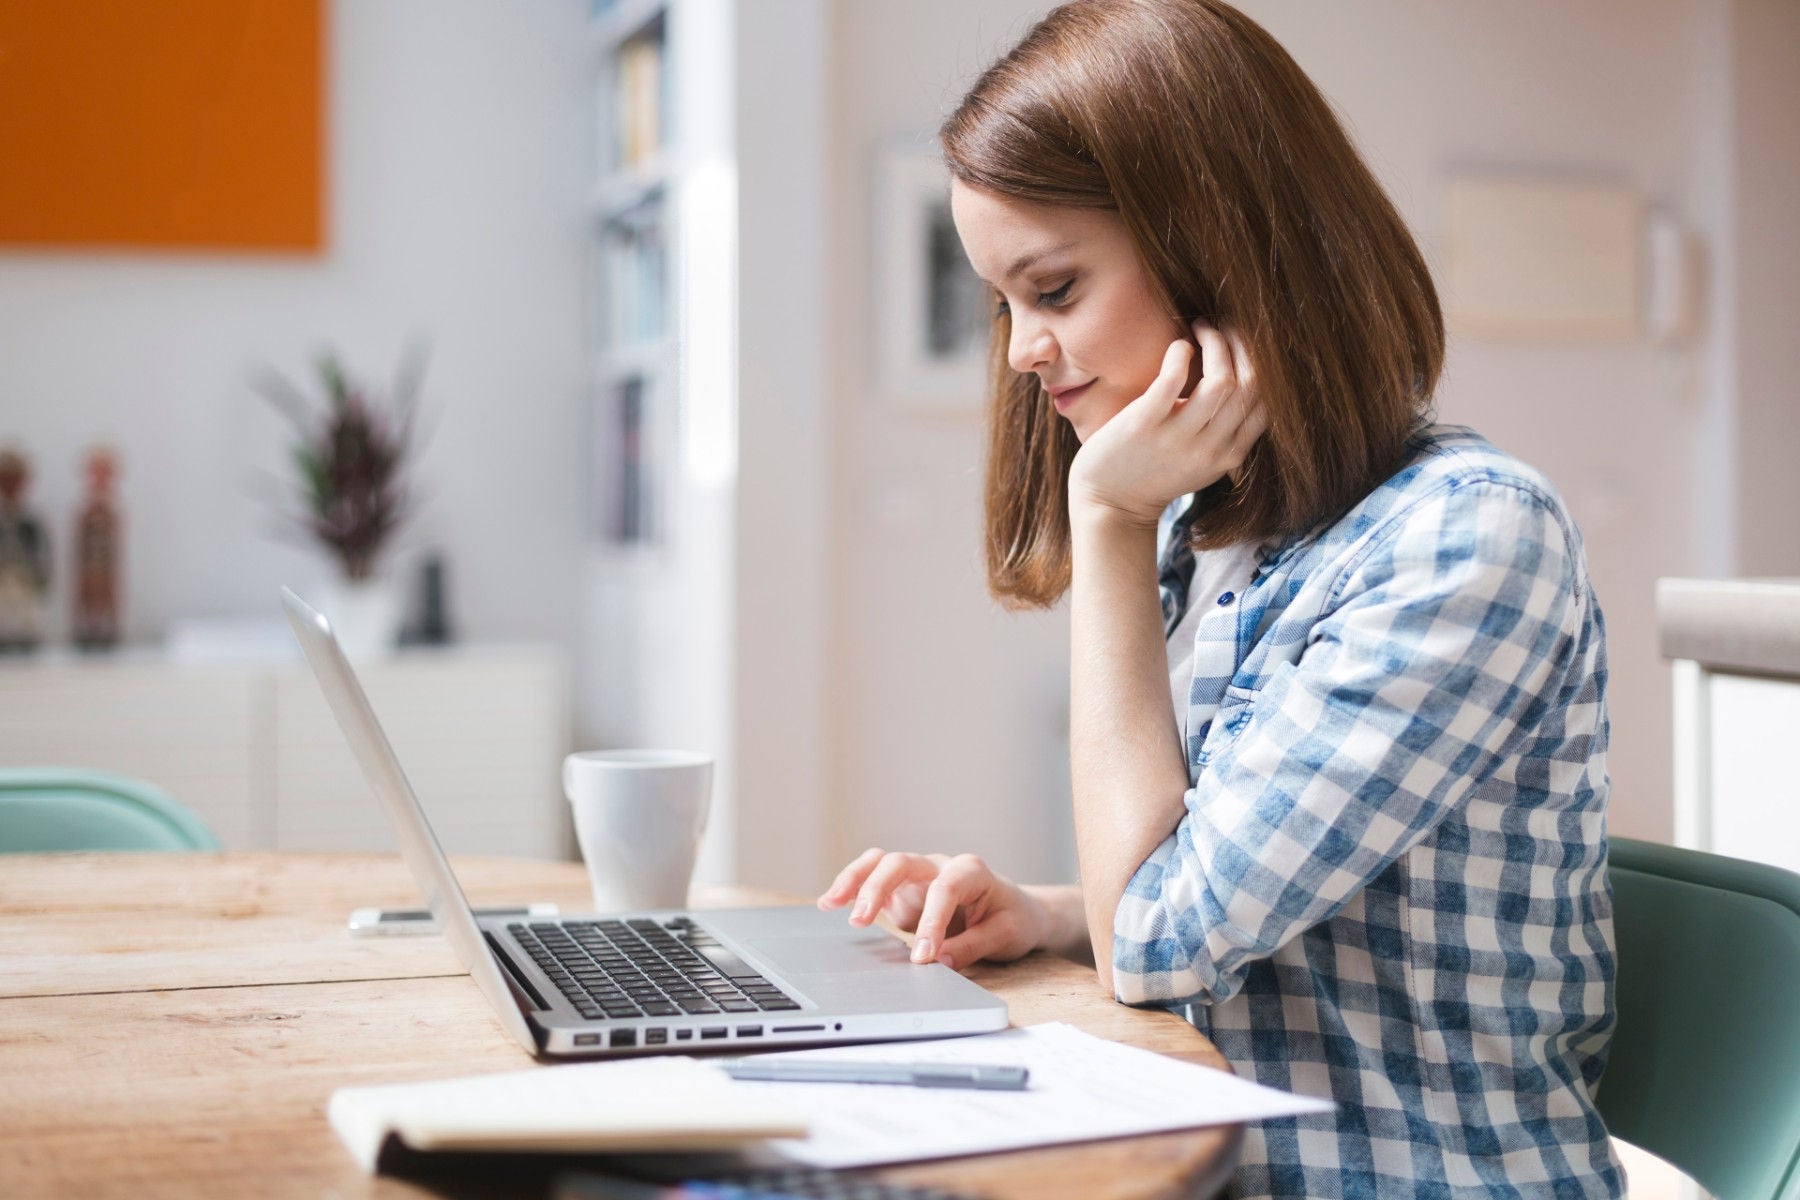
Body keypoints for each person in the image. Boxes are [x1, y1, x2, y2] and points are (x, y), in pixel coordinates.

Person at [818, 2, 1621, 1196]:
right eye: (1005, 306)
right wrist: (1046, 914)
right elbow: (1223, 891)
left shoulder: (1467, 538)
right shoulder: (1246, 542)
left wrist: (1107, 516)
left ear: (1214, 247)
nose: (1025, 350)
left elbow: (1158, 942)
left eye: (1054, 288)